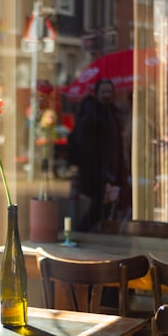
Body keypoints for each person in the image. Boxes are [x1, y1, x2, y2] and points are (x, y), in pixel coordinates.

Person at [68, 78, 127, 232]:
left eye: (109, 91)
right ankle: (80, 233)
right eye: (104, 91)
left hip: (109, 171)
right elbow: (87, 147)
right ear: (97, 93)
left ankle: (87, 234)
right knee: (98, 208)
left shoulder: (113, 112)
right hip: (98, 172)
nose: (107, 95)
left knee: (104, 208)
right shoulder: (92, 113)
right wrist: (99, 172)